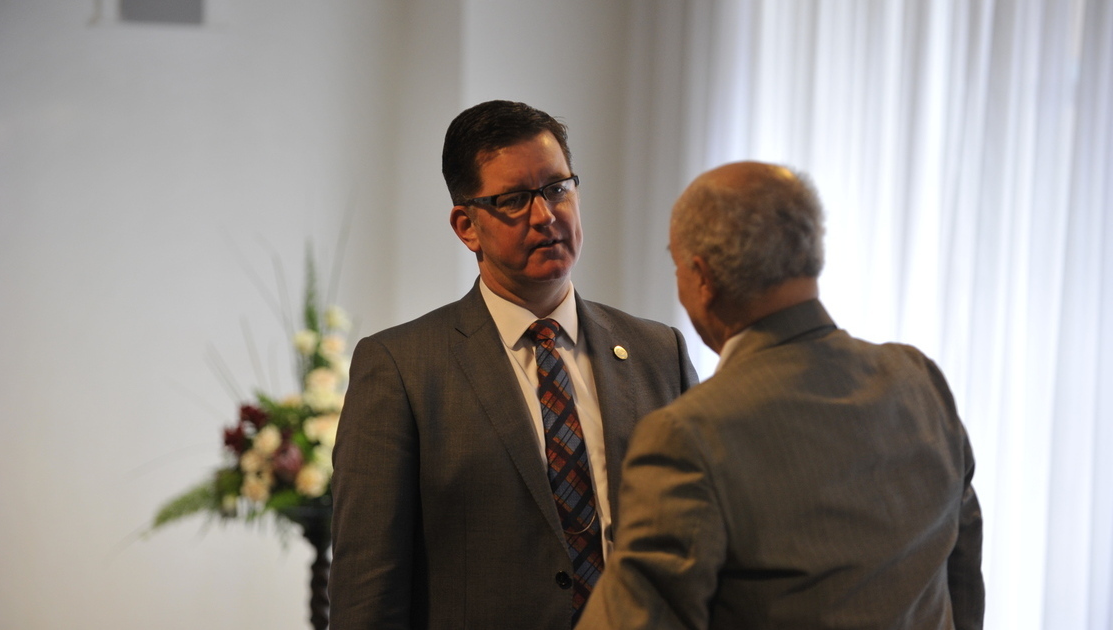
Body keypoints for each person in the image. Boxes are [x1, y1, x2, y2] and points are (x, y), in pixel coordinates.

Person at [329, 100, 699, 629]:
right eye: (513, 200)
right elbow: (368, 594)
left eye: (557, 188)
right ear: (467, 226)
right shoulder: (402, 369)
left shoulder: (658, 353)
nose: (546, 215)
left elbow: (705, 542)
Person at [577, 161, 985, 629]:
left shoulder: (689, 436)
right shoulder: (917, 379)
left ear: (702, 277)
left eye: (676, 266)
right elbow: (963, 577)